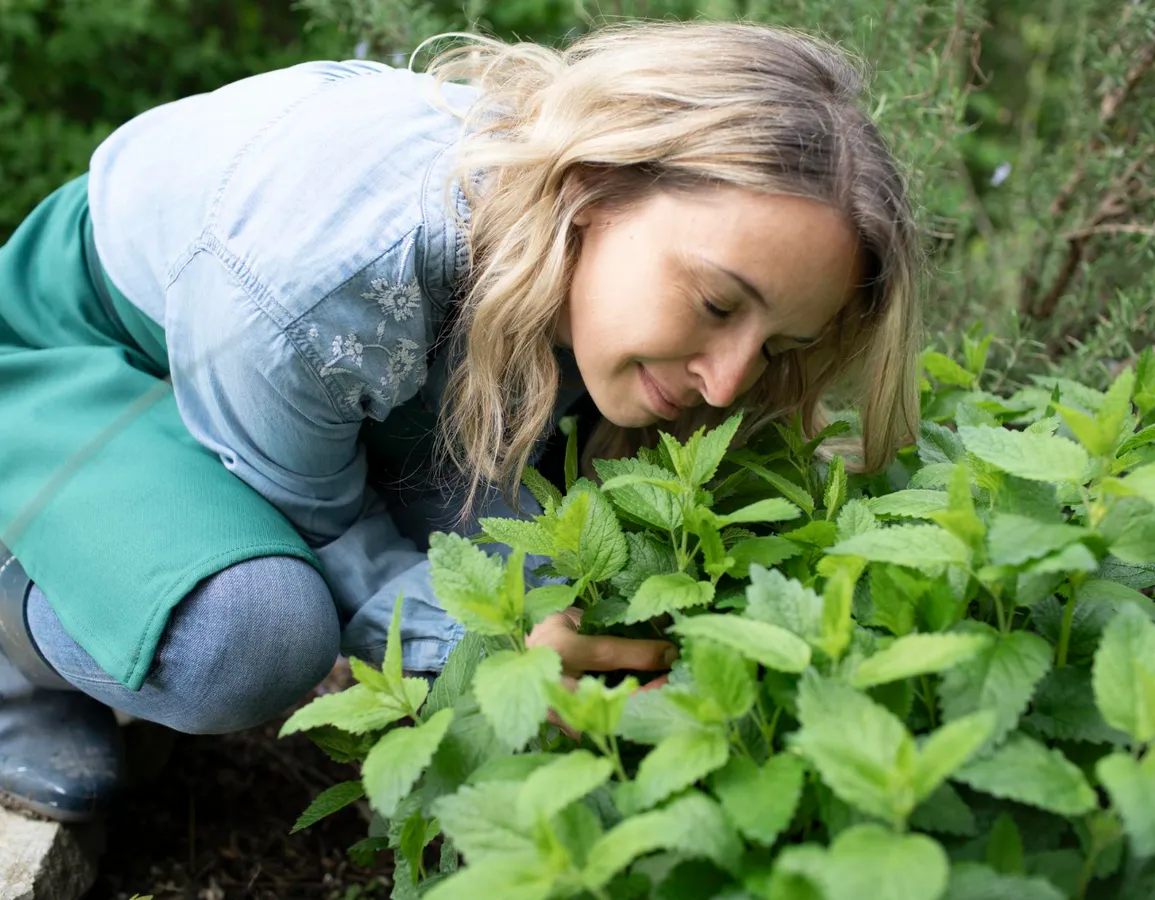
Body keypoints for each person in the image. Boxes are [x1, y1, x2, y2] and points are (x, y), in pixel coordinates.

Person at [0, 20, 920, 823]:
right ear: (598, 184)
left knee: (550, 579)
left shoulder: (559, 253)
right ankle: (15, 648)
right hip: (89, 358)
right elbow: (316, 525)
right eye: (719, 304)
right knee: (246, 634)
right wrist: (484, 650)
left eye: (776, 345)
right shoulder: (346, 263)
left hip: (315, 379)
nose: (727, 385)